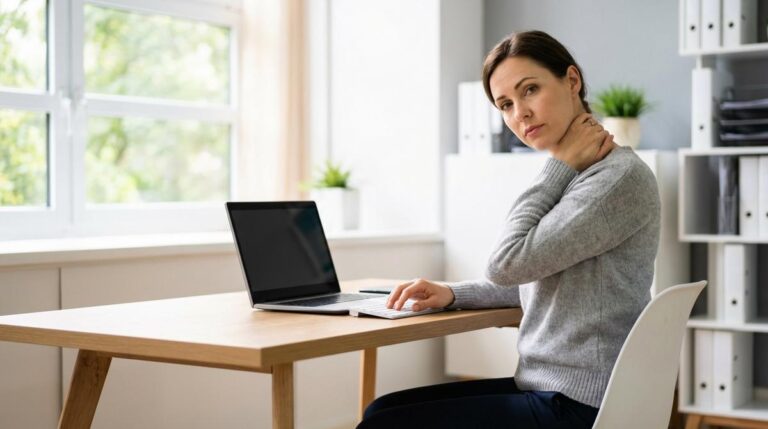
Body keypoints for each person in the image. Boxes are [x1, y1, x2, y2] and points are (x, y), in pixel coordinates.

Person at [356, 30, 661, 429]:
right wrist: (451, 294)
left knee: (384, 425)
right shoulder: (580, 177)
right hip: (547, 388)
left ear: (572, 81)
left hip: (577, 406)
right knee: (381, 412)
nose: (520, 113)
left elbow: (506, 264)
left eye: (529, 90)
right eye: (505, 104)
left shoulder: (614, 180)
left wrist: (559, 164)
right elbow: (536, 276)